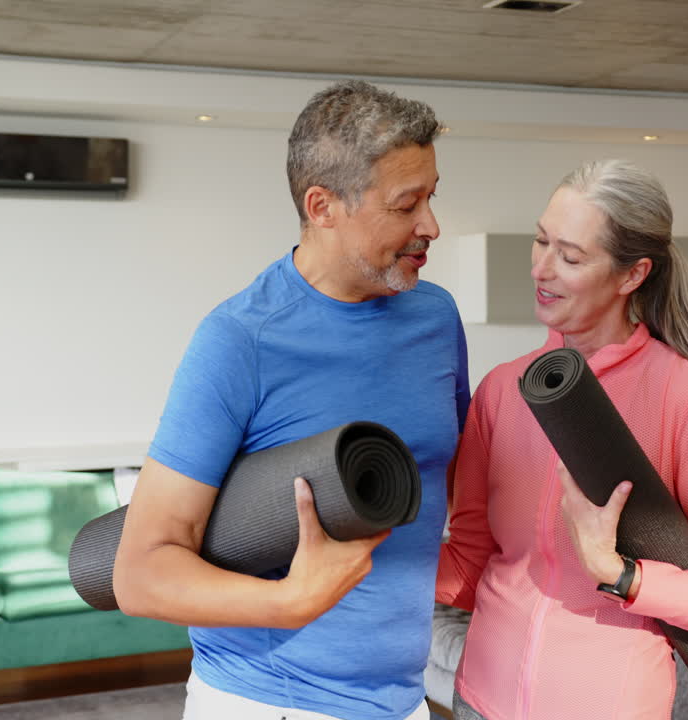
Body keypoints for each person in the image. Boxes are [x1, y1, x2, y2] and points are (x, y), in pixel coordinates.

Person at [113, 80, 469, 720]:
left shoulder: (436, 319)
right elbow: (140, 572)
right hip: (269, 702)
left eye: (431, 198)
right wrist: (293, 601)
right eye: (406, 205)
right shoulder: (240, 340)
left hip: (403, 699)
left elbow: (454, 480)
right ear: (323, 205)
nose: (431, 227)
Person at [436, 159, 688, 720]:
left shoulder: (683, 397)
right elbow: (468, 566)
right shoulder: (501, 391)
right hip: (480, 702)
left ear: (632, 275)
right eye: (539, 242)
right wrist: (370, 552)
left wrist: (620, 574)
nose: (542, 268)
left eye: (570, 256)